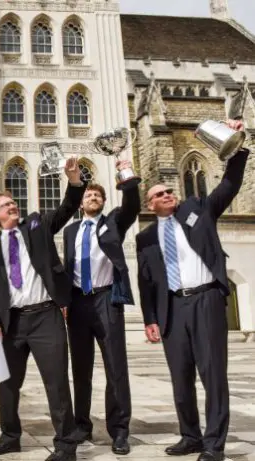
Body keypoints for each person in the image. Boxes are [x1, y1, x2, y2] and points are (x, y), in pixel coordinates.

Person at [136, 120, 248, 461]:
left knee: (213, 374)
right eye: (159, 194)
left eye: (169, 191)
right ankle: (191, 436)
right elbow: (146, 282)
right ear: (150, 203)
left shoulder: (197, 209)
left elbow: (229, 185)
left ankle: (214, 444)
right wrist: (150, 319)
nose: (168, 194)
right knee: (180, 378)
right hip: (173, 307)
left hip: (206, 300)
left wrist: (238, 148)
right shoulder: (146, 238)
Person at [0, 158, 85, 461]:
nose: (13, 206)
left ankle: (66, 445)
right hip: (8, 324)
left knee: (57, 382)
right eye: (6, 205)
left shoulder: (36, 224)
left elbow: (67, 208)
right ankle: (9, 436)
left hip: (45, 316)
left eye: (13, 202)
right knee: (4, 380)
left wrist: (75, 180)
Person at [62, 161, 140, 455]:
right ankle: (82, 425)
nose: (93, 199)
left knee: (115, 368)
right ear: (81, 203)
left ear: (104, 202)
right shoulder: (70, 232)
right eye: (88, 196)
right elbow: (68, 268)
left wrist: (126, 174)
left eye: (98, 196)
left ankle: (119, 430)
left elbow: (132, 204)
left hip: (107, 298)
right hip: (79, 303)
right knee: (80, 369)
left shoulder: (114, 222)